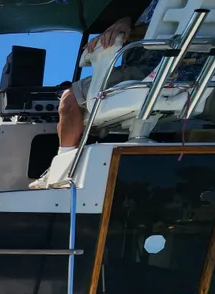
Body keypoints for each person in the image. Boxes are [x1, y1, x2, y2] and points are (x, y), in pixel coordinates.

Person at [29, 0, 201, 189]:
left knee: (69, 99)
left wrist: (117, 32)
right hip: (196, 80)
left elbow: (163, 31)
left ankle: (61, 171)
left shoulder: (174, 3)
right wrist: (126, 20)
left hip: (147, 73)